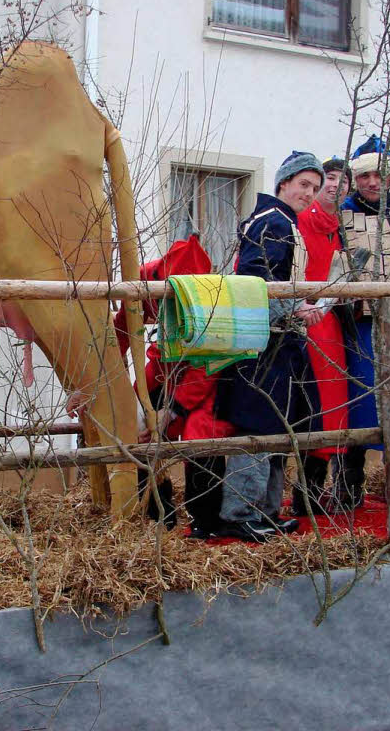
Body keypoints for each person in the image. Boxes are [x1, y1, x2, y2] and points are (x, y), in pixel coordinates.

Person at [213, 151, 325, 542]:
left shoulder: (279, 222)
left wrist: (296, 310)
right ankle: (241, 512)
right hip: (266, 345)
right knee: (259, 429)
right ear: (283, 183)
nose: (309, 193)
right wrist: (296, 309)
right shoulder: (274, 222)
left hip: (279, 342)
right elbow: (256, 281)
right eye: (303, 184)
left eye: (315, 188)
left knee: (279, 428)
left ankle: (266, 510)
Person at [117, 234, 236, 539]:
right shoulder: (144, 281)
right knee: (138, 427)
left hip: (207, 374)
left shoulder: (213, 300)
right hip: (162, 365)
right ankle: (158, 512)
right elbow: (121, 327)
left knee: (199, 433)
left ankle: (205, 520)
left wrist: (173, 410)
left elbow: (207, 369)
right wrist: (101, 379)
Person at [336, 136, 390, 512]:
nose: (371, 182)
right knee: (358, 402)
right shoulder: (342, 216)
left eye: (378, 175)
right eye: (364, 175)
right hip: (359, 323)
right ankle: (349, 489)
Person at [293, 157, 352, 516]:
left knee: (331, 408)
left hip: (329, 323)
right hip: (301, 320)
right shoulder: (301, 220)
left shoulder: (343, 227)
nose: (334, 185)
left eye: (342, 180)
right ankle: (300, 493)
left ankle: (313, 491)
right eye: (328, 178)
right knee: (307, 405)